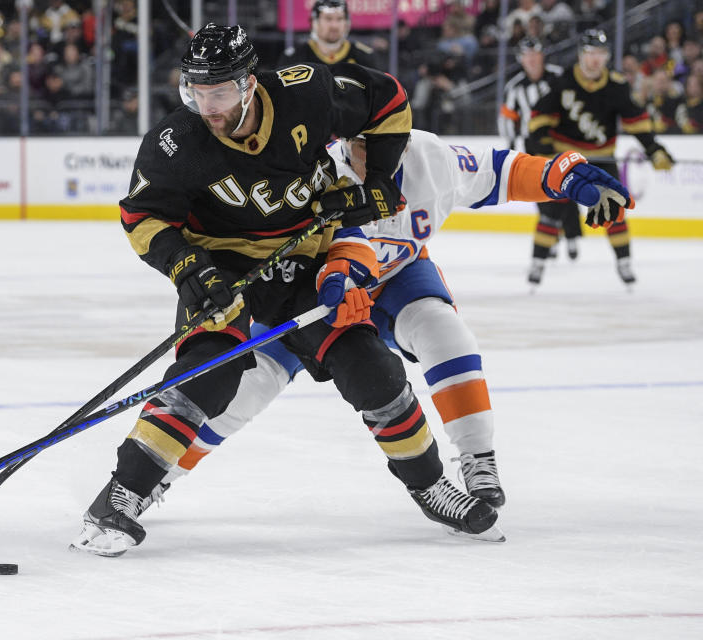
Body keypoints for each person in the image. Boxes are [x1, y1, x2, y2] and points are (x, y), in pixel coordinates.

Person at [71, 24, 500, 558]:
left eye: (220, 92)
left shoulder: (306, 93)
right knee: (209, 372)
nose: (208, 107)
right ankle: (120, 496)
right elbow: (141, 217)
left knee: (372, 367)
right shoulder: (175, 141)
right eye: (196, 93)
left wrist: (382, 181)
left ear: (250, 83)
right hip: (221, 268)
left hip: (305, 257)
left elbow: (387, 98)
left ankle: (431, 486)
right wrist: (190, 271)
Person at [135, 132, 634, 519]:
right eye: (354, 142)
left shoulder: (430, 158)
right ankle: (160, 474)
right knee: (249, 386)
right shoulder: (312, 170)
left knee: (443, 331)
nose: (363, 154)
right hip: (310, 290)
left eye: (377, 141)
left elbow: (504, 170)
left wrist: (569, 177)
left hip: (395, 278)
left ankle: (478, 458)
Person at [527, 29, 674, 288]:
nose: (595, 59)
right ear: (582, 55)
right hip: (567, 159)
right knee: (551, 210)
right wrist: (544, 148)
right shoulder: (564, 82)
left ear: (606, 56)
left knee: (613, 208)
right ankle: (537, 263)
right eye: (590, 53)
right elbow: (539, 117)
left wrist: (654, 149)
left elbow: (636, 121)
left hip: (602, 159)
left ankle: (624, 262)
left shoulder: (616, 85)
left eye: (600, 54)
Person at [499, 39, 582, 267]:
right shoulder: (515, 87)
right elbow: (507, 119)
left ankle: (572, 235)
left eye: (536, 54)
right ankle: (553, 236)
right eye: (527, 55)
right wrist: (510, 146)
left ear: (543, 56)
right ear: (521, 59)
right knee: (542, 190)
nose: (532, 59)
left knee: (569, 187)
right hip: (533, 145)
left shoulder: (558, 76)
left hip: (561, 140)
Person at [277, 0, 381, 69]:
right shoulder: (293, 58)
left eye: (340, 19)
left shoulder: (365, 57)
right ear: (314, 22)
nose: (334, 26)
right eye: (328, 19)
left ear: (347, 23)